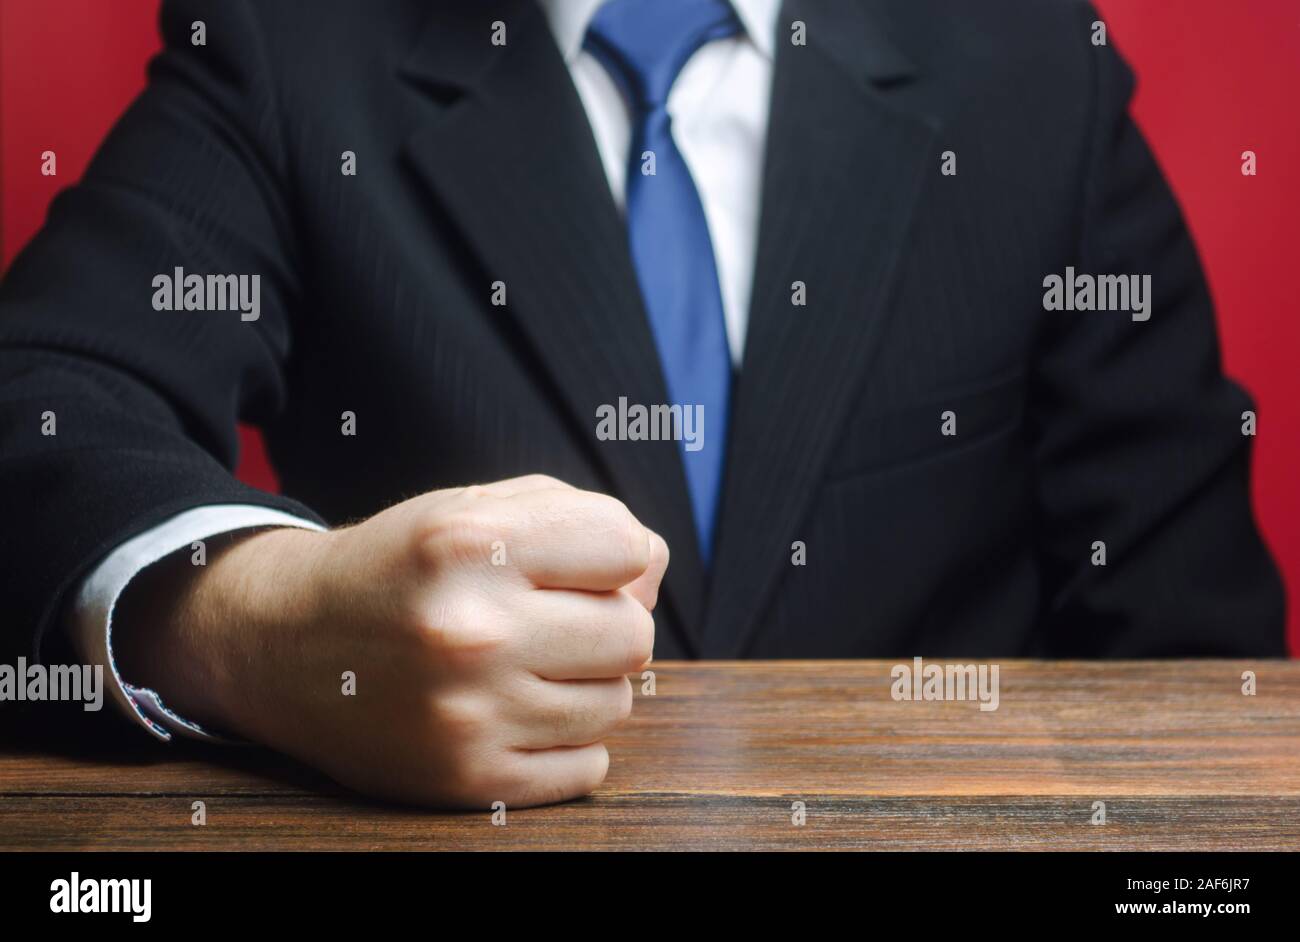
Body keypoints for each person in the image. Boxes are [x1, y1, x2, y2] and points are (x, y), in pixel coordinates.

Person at [0, 0, 1283, 808]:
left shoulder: (1030, 60)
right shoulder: (290, 42)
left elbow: (1198, 644)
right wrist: (264, 631)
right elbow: (43, 398)